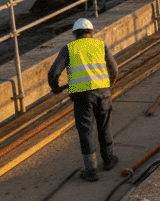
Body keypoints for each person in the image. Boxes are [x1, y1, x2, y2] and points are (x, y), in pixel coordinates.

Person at [48, 18, 120, 182]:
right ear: (91, 32)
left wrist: (55, 88)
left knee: (85, 131)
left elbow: (53, 74)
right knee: (104, 126)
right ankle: (108, 160)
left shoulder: (69, 49)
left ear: (75, 34)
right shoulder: (100, 45)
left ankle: (91, 170)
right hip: (103, 93)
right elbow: (114, 69)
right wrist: (109, 85)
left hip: (82, 96)